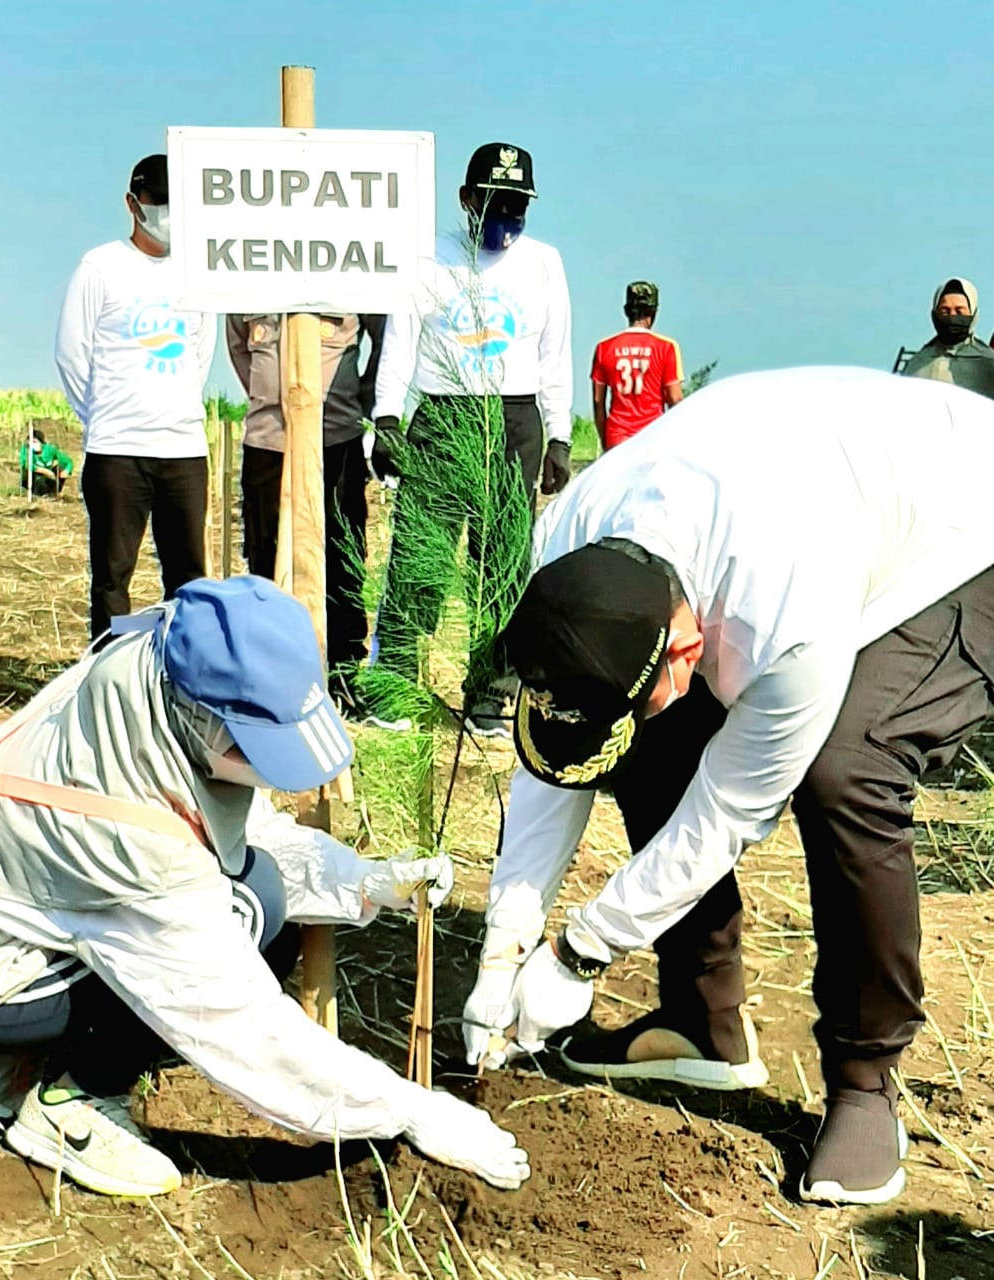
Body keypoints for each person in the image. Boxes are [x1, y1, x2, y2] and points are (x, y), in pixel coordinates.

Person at [460, 367, 994, 1207]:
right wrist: (507, 938)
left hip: (962, 525)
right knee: (645, 731)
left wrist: (581, 950)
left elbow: (730, 812)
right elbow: (557, 767)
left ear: (685, 644)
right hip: (814, 483)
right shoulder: (569, 551)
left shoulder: (783, 615)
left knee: (846, 768)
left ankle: (865, 1083)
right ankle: (702, 1024)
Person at [0, 576, 529, 1198]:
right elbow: (236, 1024)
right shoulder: (125, 839)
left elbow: (231, 827)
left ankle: (12, 1062)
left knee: (259, 893)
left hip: (3, 906)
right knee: (250, 915)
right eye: (255, 745)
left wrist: (364, 882)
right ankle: (66, 1102)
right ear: (202, 717)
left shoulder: (156, 657)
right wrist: (408, 1108)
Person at [369, 143, 574, 736]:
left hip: (514, 422)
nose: (506, 218)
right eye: (495, 204)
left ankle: (491, 692)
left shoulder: (544, 264)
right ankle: (398, 684)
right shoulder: (426, 259)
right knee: (419, 556)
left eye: (518, 207)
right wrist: (386, 419)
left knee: (504, 565)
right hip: (441, 418)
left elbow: (553, 355)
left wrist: (559, 435)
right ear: (466, 200)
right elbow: (398, 342)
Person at [55, 154, 218, 639]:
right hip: (117, 451)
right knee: (113, 578)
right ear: (133, 203)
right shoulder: (100, 267)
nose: (167, 213)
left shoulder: (196, 273)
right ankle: (111, 676)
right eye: (158, 202)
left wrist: (177, 407)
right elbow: (71, 355)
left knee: (188, 579)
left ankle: (179, 680)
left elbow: (200, 353)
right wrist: (104, 417)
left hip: (183, 451)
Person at [227, 313, 386, 697]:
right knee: (265, 559)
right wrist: (271, 399)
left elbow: (384, 338)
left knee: (342, 558)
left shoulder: (350, 265)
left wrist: (361, 396)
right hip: (268, 441)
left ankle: (343, 676)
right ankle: (272, 679)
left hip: (336, 436)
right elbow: (238, 347)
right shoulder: (250, 264)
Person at [590, 282, 684, 451]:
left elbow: (598, 401)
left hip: (617, 437)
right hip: (653, 437)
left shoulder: (604, 347)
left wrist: (605, 437)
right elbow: (675, 399)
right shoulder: (666, 347)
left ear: (626, 311)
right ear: (654, 312)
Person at [902, 276, 994, 399]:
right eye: (945, 311)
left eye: (959, 311)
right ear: (934, 314)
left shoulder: (988, 363)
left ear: (973, 314)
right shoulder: (917, 363)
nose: (952, 317)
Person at [19, 427, 74, 497]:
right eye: (30, 443)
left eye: (35, 442)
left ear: (41, 443)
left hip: (50, 478)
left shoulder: (50, 450)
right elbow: (26, 464)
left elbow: (68, 461)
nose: (32, 445)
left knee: (59, 468)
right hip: (36, 477)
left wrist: (66, 471)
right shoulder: (26, 450)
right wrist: (44, 471)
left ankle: (55, 492)